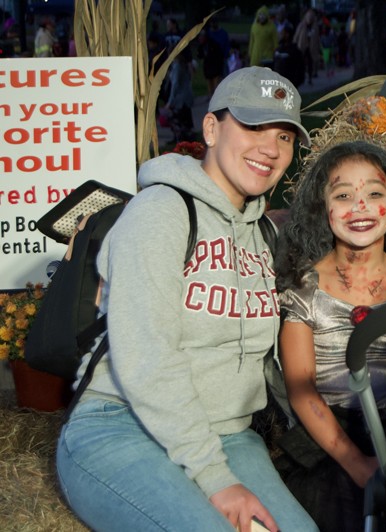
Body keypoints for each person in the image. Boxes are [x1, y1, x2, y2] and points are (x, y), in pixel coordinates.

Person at [56, 66, 317, 532]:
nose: (271, 149)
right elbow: (148, 356)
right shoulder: (160, 212)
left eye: (284, 136)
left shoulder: (263, 232)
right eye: (253, 127)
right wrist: (215, 477)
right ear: (211, 129)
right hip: (122, 425)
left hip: (229, 435)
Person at [274, 140, 386, 532]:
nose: (360, 207)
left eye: (374, 194)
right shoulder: (304, 289)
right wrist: (357, 464)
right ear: (324, 210)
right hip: (332, 436)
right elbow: (302, 390)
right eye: (343, 196)